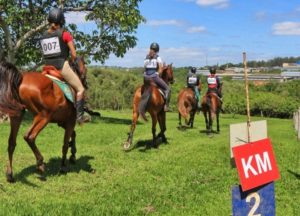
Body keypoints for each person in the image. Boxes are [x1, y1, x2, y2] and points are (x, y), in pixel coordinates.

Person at [40, 8, 85, 123]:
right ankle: (80, 117)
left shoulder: (43, 35)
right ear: (61, 20)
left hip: (47, 68)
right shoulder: (65, 34)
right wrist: (72, 60)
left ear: (49, 20)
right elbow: (74, 55)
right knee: (80, 89)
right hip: (61, 67)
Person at [143, 42, 170, 111]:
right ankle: (166, 106)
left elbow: (145, 67)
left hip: (145, 78)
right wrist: (158, 74)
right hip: (154, 77)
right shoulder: (158, 57)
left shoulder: (146, 57)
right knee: (168, 89)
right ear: (157, 49)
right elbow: (160, 67)